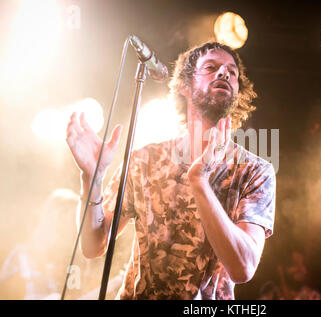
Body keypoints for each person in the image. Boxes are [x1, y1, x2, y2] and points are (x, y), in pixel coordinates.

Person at [66, 42, 276, 299]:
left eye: (232, 72)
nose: (224, 74)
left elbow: (242, 268)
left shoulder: (255, 171)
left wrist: (199, 180)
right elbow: (92, 245)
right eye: (211, 67)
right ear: (185, 86)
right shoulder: (144, 160)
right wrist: (92, 179)